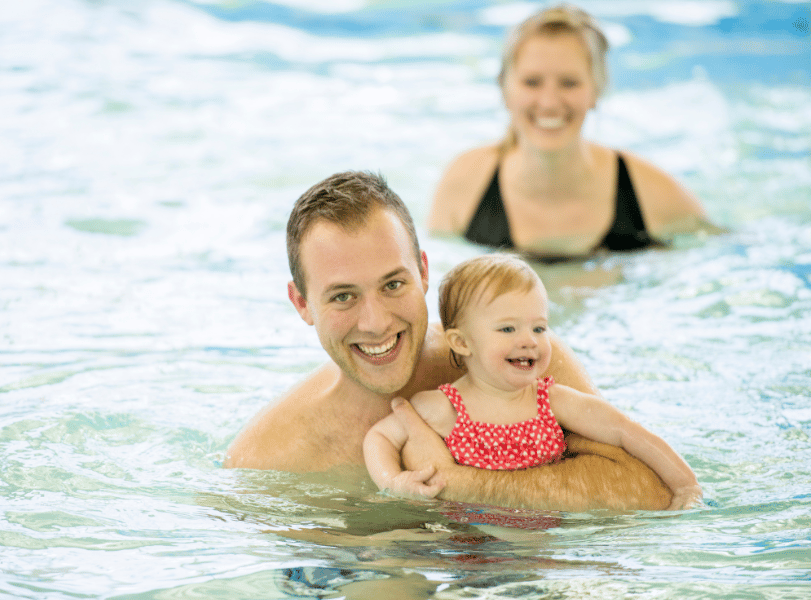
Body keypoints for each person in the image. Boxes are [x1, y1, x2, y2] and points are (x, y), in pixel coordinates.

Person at [225, 170, 673, 511]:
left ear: (423, 272)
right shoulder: (268, 459)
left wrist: (463, 485)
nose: (376, 322)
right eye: (343, 296)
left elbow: (650, 490)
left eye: (393, 285)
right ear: (301, 303)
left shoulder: (517, 361)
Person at [364, 254, 702, 510]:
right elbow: (379, 437)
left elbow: (627, 431)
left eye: (539, 328)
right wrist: (393, 481)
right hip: (468, 550)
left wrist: (686, 487)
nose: (529, 341)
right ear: (463, 343)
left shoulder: (552, 401)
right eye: (508, 329)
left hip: (543, 548)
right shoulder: (443, 407)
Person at [427, 4, 716, 259]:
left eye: (569, 83)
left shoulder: (654, 196)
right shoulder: (463, 187)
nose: (550, 102)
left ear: (596, 90)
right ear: (505, 89)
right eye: (531, 82)